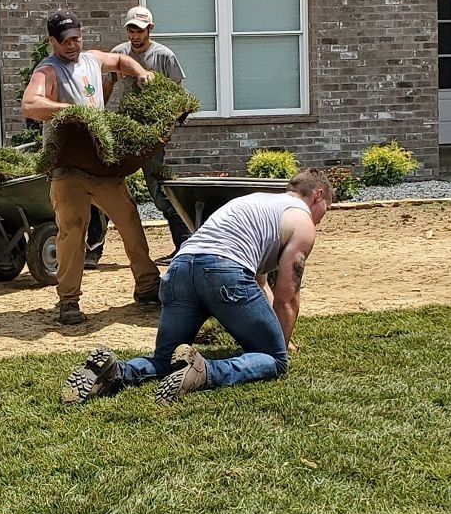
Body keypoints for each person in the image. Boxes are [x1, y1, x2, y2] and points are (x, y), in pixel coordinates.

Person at [61, 169, 333, 404]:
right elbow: (287, 297)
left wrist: (273, 331)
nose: (322, 217)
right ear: (318, 195)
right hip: (223, 271)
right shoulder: (302, 221)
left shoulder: (256, 203)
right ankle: (205, 371)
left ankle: (116, 371)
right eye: (326, 210)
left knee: (163, 360)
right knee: (273, 360)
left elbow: (261, 285)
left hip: (180, 269)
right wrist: (279, 347)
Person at [22, 8, 162, 327]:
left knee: (129, 220)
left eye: (77, 37)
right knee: (72, 229)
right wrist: (71, 112)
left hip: (101, 162)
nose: (73, 45)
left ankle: (147, 286)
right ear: (52, 41)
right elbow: (31, 105)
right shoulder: (48, 70)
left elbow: (121, 61)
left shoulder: (92, 59)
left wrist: (140, 72)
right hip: (68, 165)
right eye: (65, 40)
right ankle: (68, 301)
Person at [109, 6, 192, 251]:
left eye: (140, 30)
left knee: (158, 191)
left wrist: (166, 127)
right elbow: (107, 85)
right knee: (104, 183)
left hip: (152, 132)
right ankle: (94, 250)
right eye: (131, 30)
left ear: (150, 30)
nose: (135, 35)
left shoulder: (164, 56)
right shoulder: (118, 54)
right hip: (126, 127)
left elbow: (178, 95)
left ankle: (184, 244)